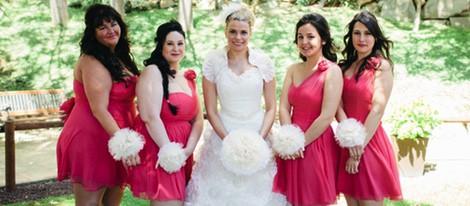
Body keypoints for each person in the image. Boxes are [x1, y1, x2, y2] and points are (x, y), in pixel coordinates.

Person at [185, 3, 285, 206]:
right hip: (223, 134)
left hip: (259, 131)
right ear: (225, 31)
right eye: (232, 31)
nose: (237, 37)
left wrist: (259, 140)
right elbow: (211, 110)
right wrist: (228, 140)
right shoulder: (213, 63)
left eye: (243, 32)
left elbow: (271, 107)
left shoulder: (263, 62)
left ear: (250, 33)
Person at [56, 4, 140, 205]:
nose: (111, 30)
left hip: (115, 133)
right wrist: (126, 145)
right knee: (90, 203)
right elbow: (99, 109)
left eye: (113, 24)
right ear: (92, 33)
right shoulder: (92, 61)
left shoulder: (119, 57)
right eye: (102, 27)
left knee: (112, 202)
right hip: (94, 136)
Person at [126, 20, 204, 205]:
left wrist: (188, 150)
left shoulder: (187, 78)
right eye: (170, 43)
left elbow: (198, 119)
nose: (176, 48)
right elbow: (149, 116)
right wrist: (170, 152)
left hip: (184, 150)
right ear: (161, 45)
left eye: (180, 43)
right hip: (161, 148)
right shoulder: (153, 72)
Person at [272, 13, 343, 205]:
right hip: (292, 140)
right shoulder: (293, 69)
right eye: (300, 37)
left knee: (313, 197)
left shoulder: (332, 71)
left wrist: (300, 143)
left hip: (315, 142)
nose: (304, 42)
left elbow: (327, 115)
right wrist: (289, 138)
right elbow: (284, 107)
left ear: (323, 39)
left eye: (310, 37)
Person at [336, 10, 402, 205]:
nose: (362, 38)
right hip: (347, 144)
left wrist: (358, 146)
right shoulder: (343, 68)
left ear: (376, 37)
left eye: (367, 33)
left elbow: (377, 109)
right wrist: (349, 139)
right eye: (357, 33)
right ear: (351, 36)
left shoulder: (381, 66)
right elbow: (338, 106)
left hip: (369, 142)